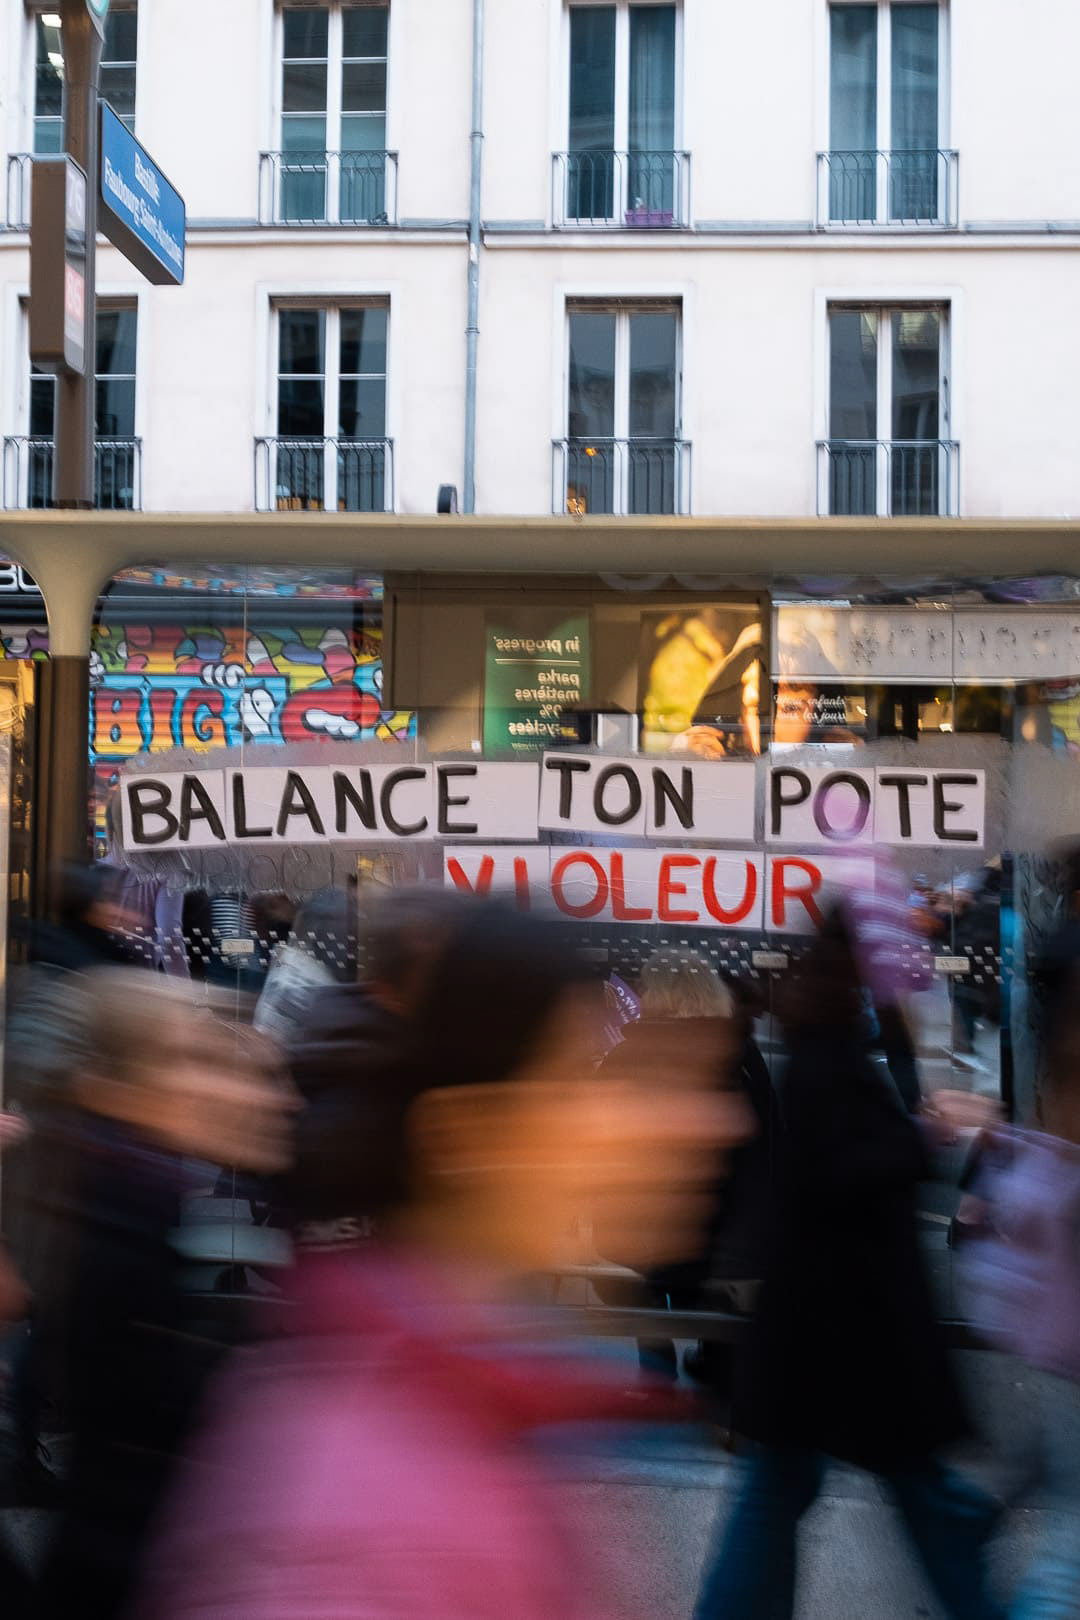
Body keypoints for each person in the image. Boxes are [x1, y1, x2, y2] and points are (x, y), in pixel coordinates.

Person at [135, 898, 751, 1620]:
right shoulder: (355, 1535)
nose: (703, 1119)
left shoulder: (470, 1402)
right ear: (473, 1129)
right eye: (596, 1076)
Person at [693, 906, 1005, 1620]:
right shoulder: (829, 1054)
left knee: (786, 1494)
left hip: (825, 1339)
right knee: (907, 1496)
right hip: (851, 1337)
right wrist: (927, 1137)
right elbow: (841, 1176)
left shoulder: (828, 1039)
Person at [30, 971, 294, 1620]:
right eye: (192, 1059)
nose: (227, 1085)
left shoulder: (133, 1188)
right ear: (121, 1085)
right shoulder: (125, 1202)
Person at [593, 950, 761, 1386]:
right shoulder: (740, 1052)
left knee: (638, 1289)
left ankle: (656, 1371)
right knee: (717, 1297)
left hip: (643, 1215)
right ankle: (716, 1373)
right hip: (721, 1216)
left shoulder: (630, 1054)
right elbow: (764, 1139)